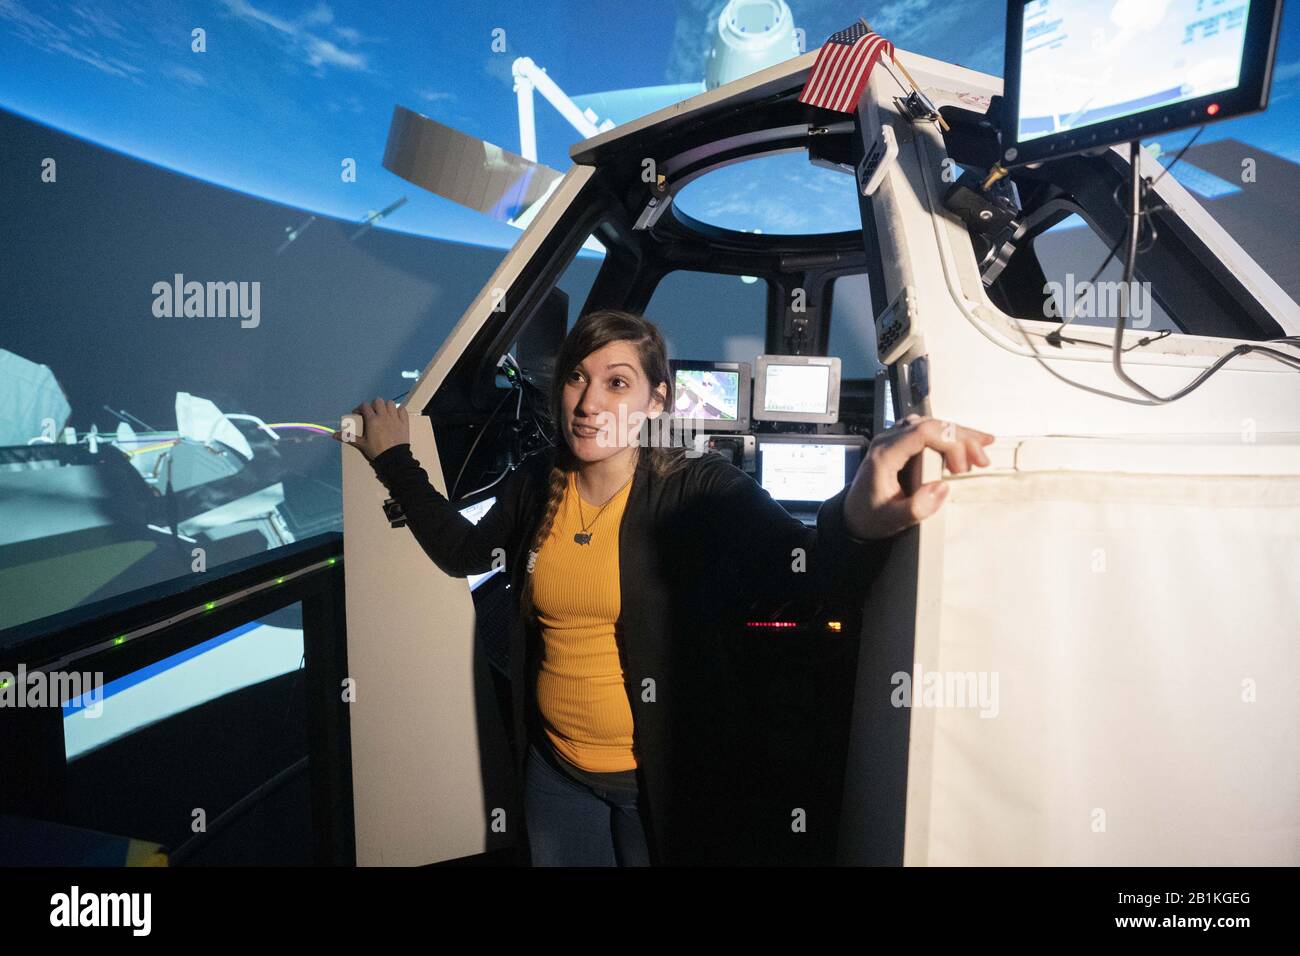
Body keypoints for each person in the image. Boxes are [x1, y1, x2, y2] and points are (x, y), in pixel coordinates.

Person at [335, 309, 993, 866]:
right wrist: (395, 458)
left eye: (617, 383)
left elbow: (809, 564)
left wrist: (858, 513)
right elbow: (462, 551)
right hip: (555, 771)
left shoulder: (698, 491)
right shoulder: (536, 483)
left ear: (656, 401)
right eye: (577, 379)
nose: (590, 403)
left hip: (659, 779)